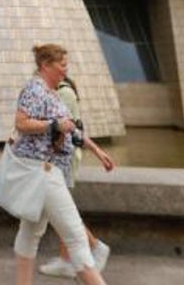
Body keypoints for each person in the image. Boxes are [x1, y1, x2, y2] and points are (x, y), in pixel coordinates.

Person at [9, 44, 106, 285]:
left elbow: (71, 127)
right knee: (76, 238)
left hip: (46, 171)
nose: (66, 70)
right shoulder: (35, 89)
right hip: (44, 172)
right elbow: (21, 123)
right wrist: (52, 125)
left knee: (30, 233)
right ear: (45, 66)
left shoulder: (51, 92)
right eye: (61, 65)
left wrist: (97, 150)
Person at [37, 71, 116, 278]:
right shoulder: (54, 92)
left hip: (62, 161)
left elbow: (74, 131)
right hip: (56, 160)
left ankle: (96, 247)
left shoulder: (64, 94)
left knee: (62, 210)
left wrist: (97, 151)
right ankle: (65, 261)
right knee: (60, 209)